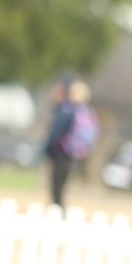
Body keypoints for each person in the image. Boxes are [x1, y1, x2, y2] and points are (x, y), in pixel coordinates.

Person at [42, 78, 98, 210]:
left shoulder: (67, 109)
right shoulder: (86, 111)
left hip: (62, 150)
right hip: (74, 151)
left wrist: (48, 149)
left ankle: (57, 208)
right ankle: (59, 207)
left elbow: (56, 132)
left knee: (56, 183)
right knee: (63, 182)